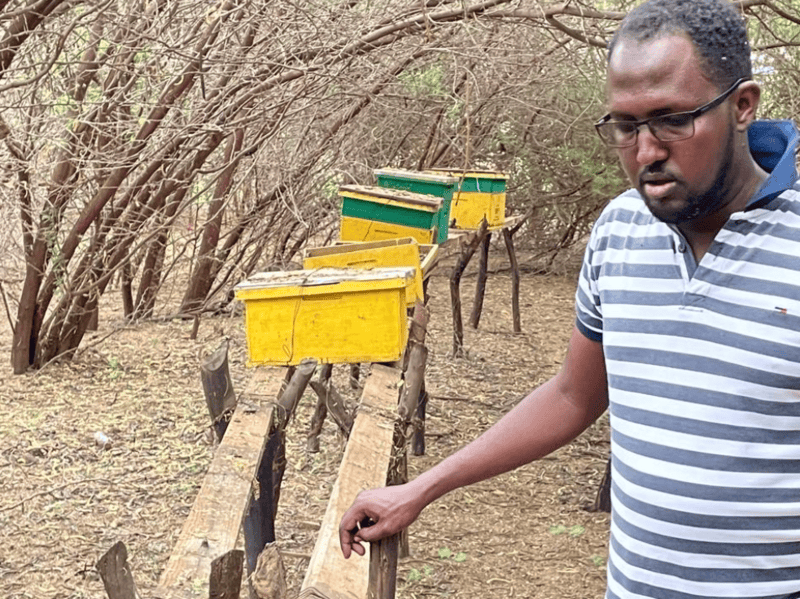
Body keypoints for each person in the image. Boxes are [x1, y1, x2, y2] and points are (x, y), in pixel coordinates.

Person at [339, 0, 800, 596]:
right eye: (625, 126)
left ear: (743, 106)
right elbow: (572, 395)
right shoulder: (618, 230)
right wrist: (422, 488)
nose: (645, 152)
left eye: (672, 120)